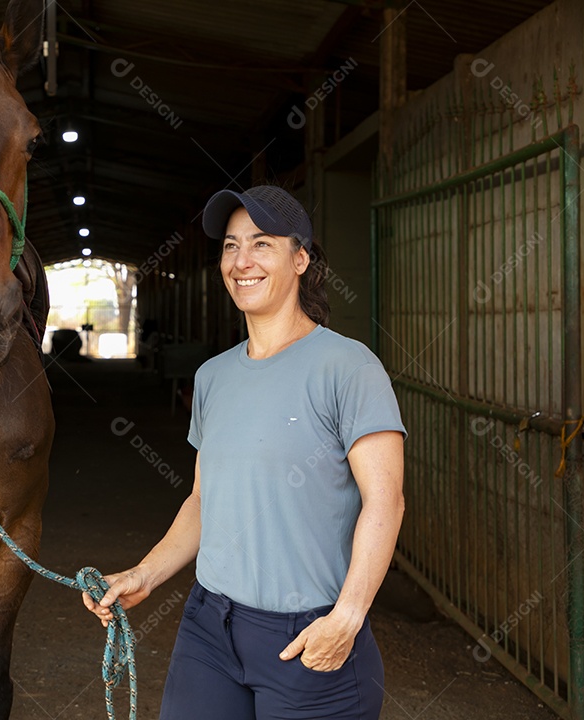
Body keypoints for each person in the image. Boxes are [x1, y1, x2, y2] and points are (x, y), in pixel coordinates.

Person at [83, 186, 405, 719]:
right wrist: (145, 573)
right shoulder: (212, 377)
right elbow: (205, 501)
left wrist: (347, 618)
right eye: (231, 246)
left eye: (262, 245)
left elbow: (386, 501)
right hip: (210, 628)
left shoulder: (349, 368)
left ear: (300, 259)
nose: (242, 262)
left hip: (308, 635)